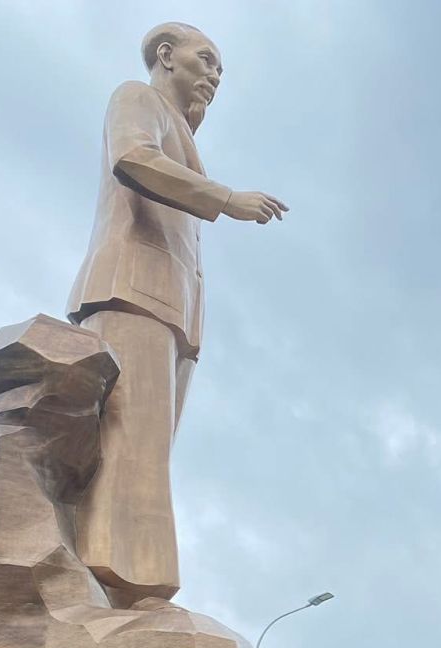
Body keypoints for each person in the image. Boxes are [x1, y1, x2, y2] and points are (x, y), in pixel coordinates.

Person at [68, 22, 288, 606]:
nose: (215, 75)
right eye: (206, 59)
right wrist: (226, 198)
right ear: (166, 57)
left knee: (151, 450)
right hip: (131, 289)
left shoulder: (183, 132)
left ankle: (124, 588)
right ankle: (121, 584)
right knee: (129, 441)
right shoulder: (137, 98)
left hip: (175, 310)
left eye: (221, 69)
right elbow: (133, 157)